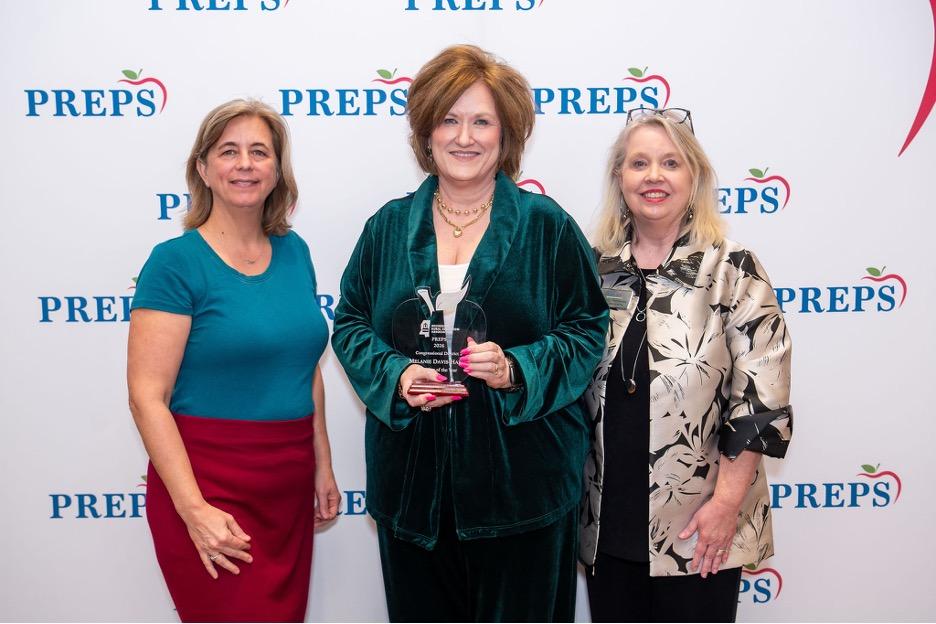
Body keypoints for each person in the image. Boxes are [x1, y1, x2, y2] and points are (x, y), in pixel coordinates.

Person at [331, 44, 608, 622]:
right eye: (449, 120)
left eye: (482, 122)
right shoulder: (387, 227)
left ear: (506, 135)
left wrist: (517, 369)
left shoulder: (546, 226)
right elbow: (351, 323)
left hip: (523, 490)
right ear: (426, 132)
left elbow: (587, 330)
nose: (464, 137)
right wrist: (397, 375)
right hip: (414, 491)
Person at [127, 99, 340, 623]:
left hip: (288, 484)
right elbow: (147, 396)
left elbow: (303, 367)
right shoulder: (174, 264)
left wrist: (323, 465)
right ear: (203, 169)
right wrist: (193, 510)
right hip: (208, 486)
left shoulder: (295, 252)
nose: (245, 164)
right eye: (228, 151)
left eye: (259, 152)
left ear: (277, 170)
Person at [579, 108, 793, 623]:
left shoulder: (732, 267)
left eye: (670, 163)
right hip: (606, 523)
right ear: (619, 177)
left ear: (694, 177)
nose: (654, 176)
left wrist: (725, 506)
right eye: (639, 163)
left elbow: (762, 403)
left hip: (700, 526)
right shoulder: (593, 268)